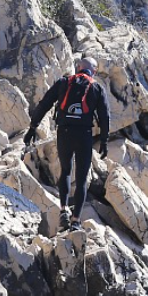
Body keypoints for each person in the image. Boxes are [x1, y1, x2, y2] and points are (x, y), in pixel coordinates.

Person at [24, 57, 111, 230]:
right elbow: (105, 116)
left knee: (65, 171)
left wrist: (33, 127)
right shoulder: (97, 87)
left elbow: (45, 104)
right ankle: (76, 220)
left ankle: (63, 210)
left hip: (64, 133)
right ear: (93, 71)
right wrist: (104, 140)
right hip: (84, 135)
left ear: (78, 67)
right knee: (81, 179)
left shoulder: (64, 82)